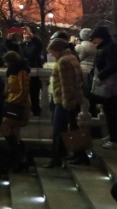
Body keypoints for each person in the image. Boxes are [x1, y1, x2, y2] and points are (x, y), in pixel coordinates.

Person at [45, 38, 83, 168]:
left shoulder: (63, 62)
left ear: (57, 50)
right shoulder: (72, 58)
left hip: (64, 100)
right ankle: (79, 155)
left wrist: (66, 102)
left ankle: (56, 158)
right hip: (73, 98)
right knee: (73, 127)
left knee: (58, 129)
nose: (51, 54)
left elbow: (66, 85)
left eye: (52, 51)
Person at [90, 26, 117, 148]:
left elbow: (113, 66)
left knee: (111, 110)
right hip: (114, 83)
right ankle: (116, 134)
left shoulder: (109, 48)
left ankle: (116, 138)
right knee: (111, 110)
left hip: (113, 84)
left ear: (100, 37)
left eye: (95, 38)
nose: (94, 41)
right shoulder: (110, 47)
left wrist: (100, 76)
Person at [0, 50, 31, 171]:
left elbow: (24, 91)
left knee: (4, 126)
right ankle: (21, 157)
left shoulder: (21, 72)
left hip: (19, 105)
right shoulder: (13, 71)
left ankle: (17, 153)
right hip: (13, 102)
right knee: (15, 131)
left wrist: (12, 102)